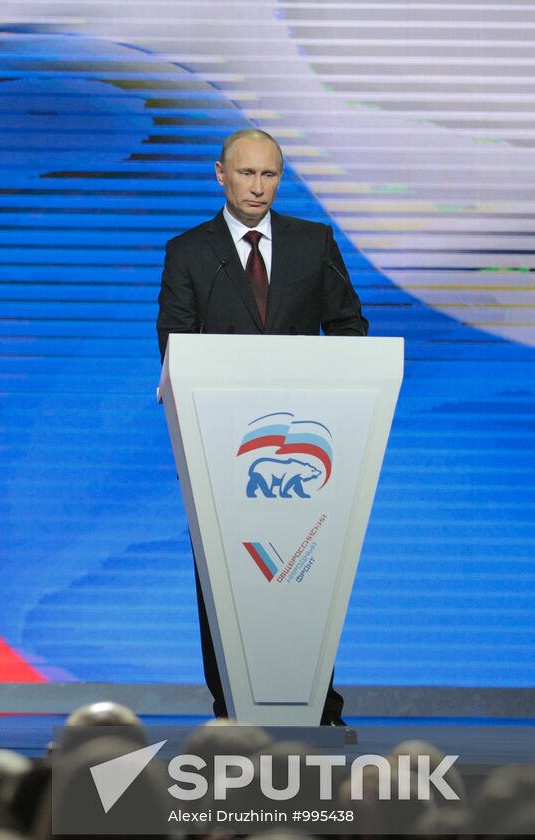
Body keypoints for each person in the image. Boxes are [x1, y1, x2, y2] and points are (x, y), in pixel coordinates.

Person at [156, 127, 368, 724]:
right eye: (246, 173)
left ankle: (317, 703)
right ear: (219, 174)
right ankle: (231, 704)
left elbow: (349, 327)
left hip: (306, 445)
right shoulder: (190, 252)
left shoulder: (312, 242)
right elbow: (174, 346)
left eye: (269, 174)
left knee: (306, 565)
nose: (257, 186)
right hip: (218, 444)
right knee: (224, 575)